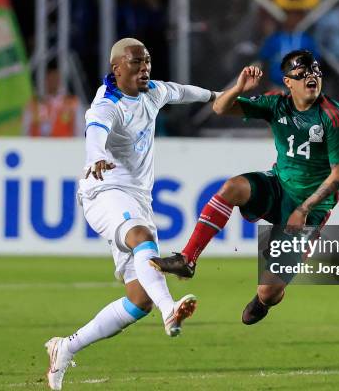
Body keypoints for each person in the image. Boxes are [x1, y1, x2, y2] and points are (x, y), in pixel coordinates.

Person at [44, 38, 219, 391]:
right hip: (104, 191)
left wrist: (219, 96)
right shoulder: (108, 104)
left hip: (137, 199)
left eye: (148, 61)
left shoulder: (152, 92)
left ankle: (66, 347)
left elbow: (183, 92)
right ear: (116, 69)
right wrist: (95, 156)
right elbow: (95, 131)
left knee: (138, 301)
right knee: (142, 238)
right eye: (137, 62)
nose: (145, 68)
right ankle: (170, 310)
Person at [151, 50, 339, 325]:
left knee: (269, 291)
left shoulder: (335, 118)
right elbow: (220, 108)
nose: (311, 78)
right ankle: (187, 260)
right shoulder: (276, 103)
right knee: (232, 187)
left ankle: (263, 301)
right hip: (278, 186)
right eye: (303, 74)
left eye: (316, 73)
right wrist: (239, 88)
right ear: (288, 82)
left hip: (312, 207)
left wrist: (304, 209)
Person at [259, 11, 320, 89]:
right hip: (277, 86)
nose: (292, 20)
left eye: (295, 17)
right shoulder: (275, 39)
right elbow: (263, 58)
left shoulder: (306, 40)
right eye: (290, 16)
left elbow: (315, 61)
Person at [22, 62, 84, 137]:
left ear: (60, 79)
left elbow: (80, 132)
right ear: (44, 79)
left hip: (64, 147)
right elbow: (25, 133)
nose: (53, 81)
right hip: (39, 147)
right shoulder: (33, 104)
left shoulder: (72, 102)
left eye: (55, 77)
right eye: (50, 77)